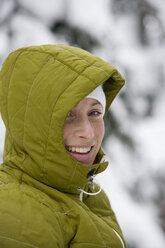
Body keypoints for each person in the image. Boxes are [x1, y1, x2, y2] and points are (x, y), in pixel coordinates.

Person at [0, 44, 127, 248]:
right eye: (68, 114)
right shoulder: (15, 211)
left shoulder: (90, 196)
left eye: (94, 113)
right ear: (34, 123)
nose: (87, 132)